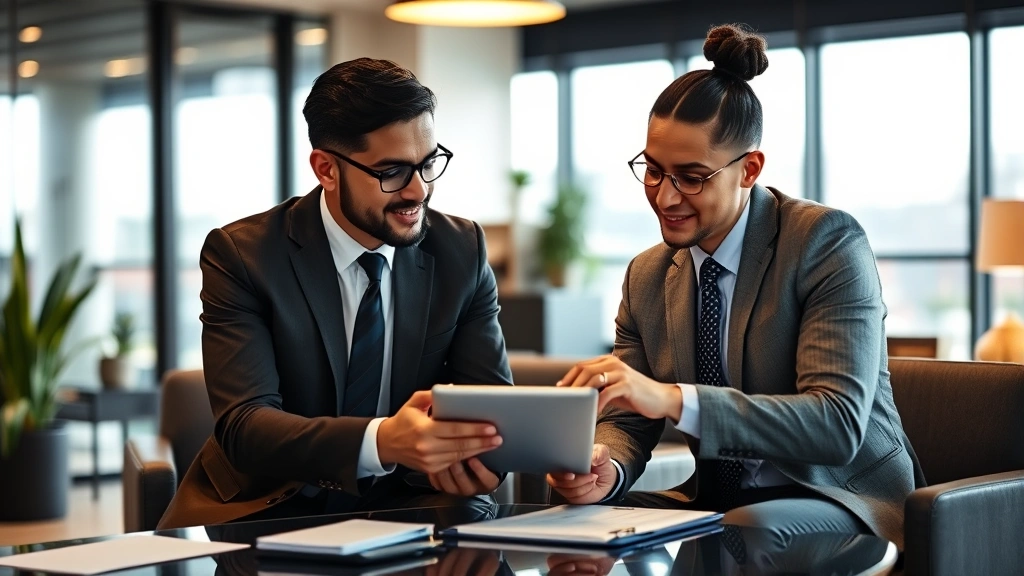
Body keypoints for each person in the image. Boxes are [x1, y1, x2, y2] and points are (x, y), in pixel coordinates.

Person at [548, 24, 924, 549]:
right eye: (653, 171)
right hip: (717, 504)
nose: (665, 196)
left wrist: (674, 398)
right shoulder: (648, 274)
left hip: (839, 497)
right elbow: (627, 422)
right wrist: (603, 467)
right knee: (571, 518)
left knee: (747, 530)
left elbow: (835, 424)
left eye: (692, 176)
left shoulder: (825, 242)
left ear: (749, 169)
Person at [159, 58, 512, 530]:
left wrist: (481, 460)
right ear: (327, 169)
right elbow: (245, 427)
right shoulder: (243, 256)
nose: (418, 191)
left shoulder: (460, 250)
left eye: (428, 163)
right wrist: (381, 441)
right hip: (271, 502)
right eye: (392, 172)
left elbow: (493, 402)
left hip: (413, 501)